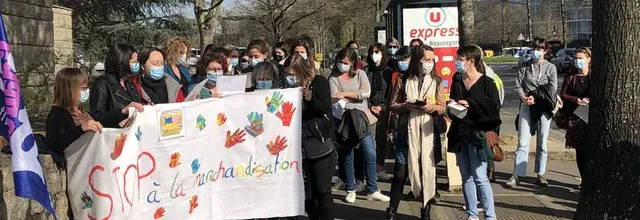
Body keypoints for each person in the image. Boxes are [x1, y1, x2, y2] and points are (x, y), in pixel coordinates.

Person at [386, 45, 445, 220]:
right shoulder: (402, 80)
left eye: (432, 59)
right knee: (400, 173)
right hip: (407, 131)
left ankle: (425, 209)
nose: (430, 63)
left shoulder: (437, 81)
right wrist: (409, 106)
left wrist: (431, 107)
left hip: (427, 132)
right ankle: (391, 210)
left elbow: (442, 107)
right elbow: (392, 105)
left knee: (427, 171)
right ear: (417, 60)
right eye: (427, 59)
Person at [329, 47, 390, 203]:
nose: (342, 65)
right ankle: (350, 188)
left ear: (353, 63)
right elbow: (334, 97)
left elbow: (366, 92)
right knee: (347, 154)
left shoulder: (361, 74)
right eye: (340, 62)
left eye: (346, 62)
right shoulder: (333, 78)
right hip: (344, 119)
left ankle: (372, 189)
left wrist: (345, 94)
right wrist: (355, 95)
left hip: (362, 118)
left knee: (370, 152)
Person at [447, 45, 501, 220]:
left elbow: (493, 109)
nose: (457, 63)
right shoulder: (457, 81)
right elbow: (453, 106)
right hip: (460, 133)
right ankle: (471, 214)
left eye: (460, 60)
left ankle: (490, 215)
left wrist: (471, 103)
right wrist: (451, 107)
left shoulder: (487, 83)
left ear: (471, 61)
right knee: (466, 176)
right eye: (457, 59)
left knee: (480, 176)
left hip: (478, 135)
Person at [282, 54, 336, 219]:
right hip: (298, 148)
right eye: (287, 74)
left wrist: (311, 100)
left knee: (322, 192)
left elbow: (326, 108)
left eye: (292, 74)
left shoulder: (319, 82)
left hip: (319, 146)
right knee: (308, 194)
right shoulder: (285, 89)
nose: (289, 78)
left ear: (301, 71)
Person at [507, 38, 558, 188]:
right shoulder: (525, 66)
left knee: (542, 142)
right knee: (523, 141)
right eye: (535, 48)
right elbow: (518, 85)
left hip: (543, 107)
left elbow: (552, 88)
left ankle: (540, 173)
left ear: (545, 51)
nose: (538, 52)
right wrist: (524, 97)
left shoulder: (551, 68)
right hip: (526, 106)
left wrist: (537, 95)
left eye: (541, 49)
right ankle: (517, 174)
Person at [46, 68, 103, 156]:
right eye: (82, 88)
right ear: (69, 90)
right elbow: (54, 144)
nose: (85, 91)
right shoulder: (58, 113)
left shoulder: (82, 111)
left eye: (86, 88)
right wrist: (81, 129)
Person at [90, 44, 145, 128]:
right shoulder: (102, 84)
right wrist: (122, 111)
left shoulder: (130, 84)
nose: (136, 65)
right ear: (122, 62)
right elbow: (97, 116)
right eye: (134, 62)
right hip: (114, 136)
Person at [559, 47, 591, 184]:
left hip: (590, 117)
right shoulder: (570, 77)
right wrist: (575, 100)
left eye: (581, 59)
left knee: (590, 149)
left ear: (588, 60)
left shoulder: (593, 76)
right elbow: (563, 94)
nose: (578, 61)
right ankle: (584, 178)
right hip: (575, 118)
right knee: (580, 151)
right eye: (576, 58)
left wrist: (589, 99)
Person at [364, 43, 394, 181]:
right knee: (368, 141)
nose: (374, 55)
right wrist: (370, 106)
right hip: (368, 108)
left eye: (377, 52)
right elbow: (363, 91)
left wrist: (382, 107)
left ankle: (380, 168)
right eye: (371, 52)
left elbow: (390, 93)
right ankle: (369, 169)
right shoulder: (366, 71)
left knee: (381, 139)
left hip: (383, 109)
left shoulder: (388, 72)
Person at [163, 36, 195, 102]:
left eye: (185, 53)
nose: (184, 56)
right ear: (172, 52)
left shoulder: (184, 69)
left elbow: (190, 85)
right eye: (181, 53)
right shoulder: (164, 69)